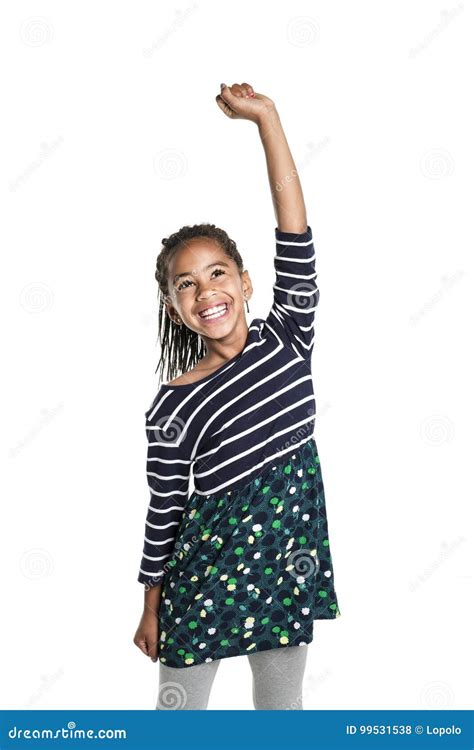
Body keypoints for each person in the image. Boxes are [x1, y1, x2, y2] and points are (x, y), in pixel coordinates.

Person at [133, 81, 341, 710]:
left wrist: (266, 120)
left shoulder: (287, 336)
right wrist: (150, 606)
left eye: (217, 273)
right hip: (200, 577)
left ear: (246, 282)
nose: (206, 292)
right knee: (178, 718)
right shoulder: (172, 403)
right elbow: (165, 509)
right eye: (186, 285)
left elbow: (294, 228)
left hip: (285, 565)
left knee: (282, 710)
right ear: (174, 308)